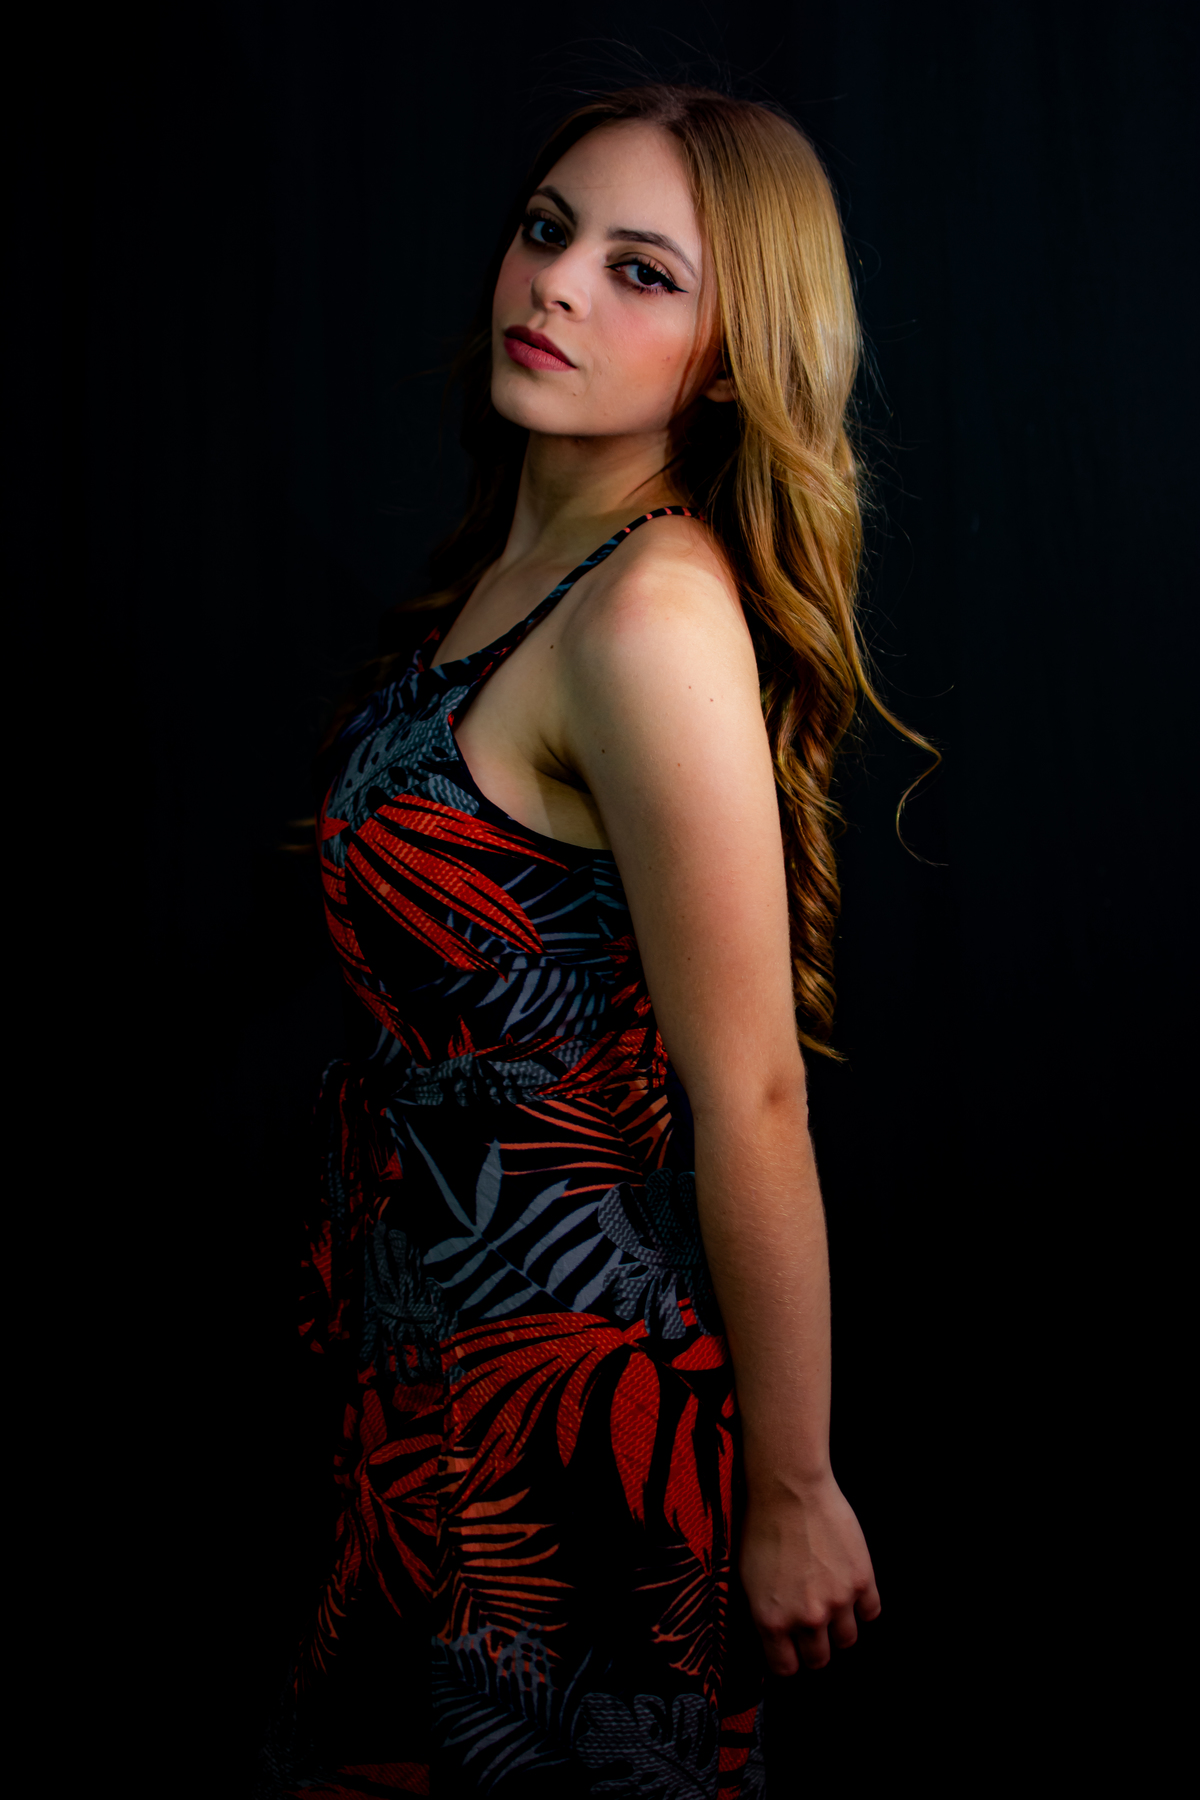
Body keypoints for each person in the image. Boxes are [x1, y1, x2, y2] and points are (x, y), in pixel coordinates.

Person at [264, 81, 907, 1800]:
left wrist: (795, 1484)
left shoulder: (647, 617)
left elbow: (751, 1092)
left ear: (731, 356)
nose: (554, 282)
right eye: (548, 230)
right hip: (425, 1373)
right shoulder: (528, 559)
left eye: (642, 271)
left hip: (560, 1424)